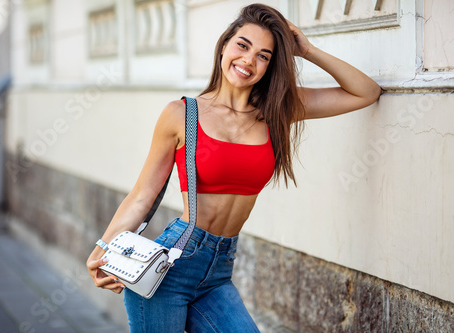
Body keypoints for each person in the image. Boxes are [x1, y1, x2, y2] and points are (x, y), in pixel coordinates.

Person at [87, 3, 381, 332]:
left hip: (219, 271)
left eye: (263, 56)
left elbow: (365, 92)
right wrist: (103, 247)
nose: (248, 61)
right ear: (225, 44)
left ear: (271, 66)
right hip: (170, 269)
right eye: (242, 45)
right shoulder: (181, 114)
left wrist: (307, 50)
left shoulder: (277, 111)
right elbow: (143, 194)